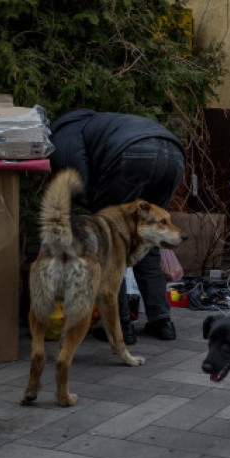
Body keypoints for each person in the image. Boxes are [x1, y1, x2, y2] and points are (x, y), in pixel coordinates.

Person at [49, 110, 185, 343]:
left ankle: (120, 326)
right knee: (149, 241)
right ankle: (162, 322)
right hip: (173, 155)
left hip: (132, 156)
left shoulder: (61, 136)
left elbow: (79, 183)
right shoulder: (97, 124)